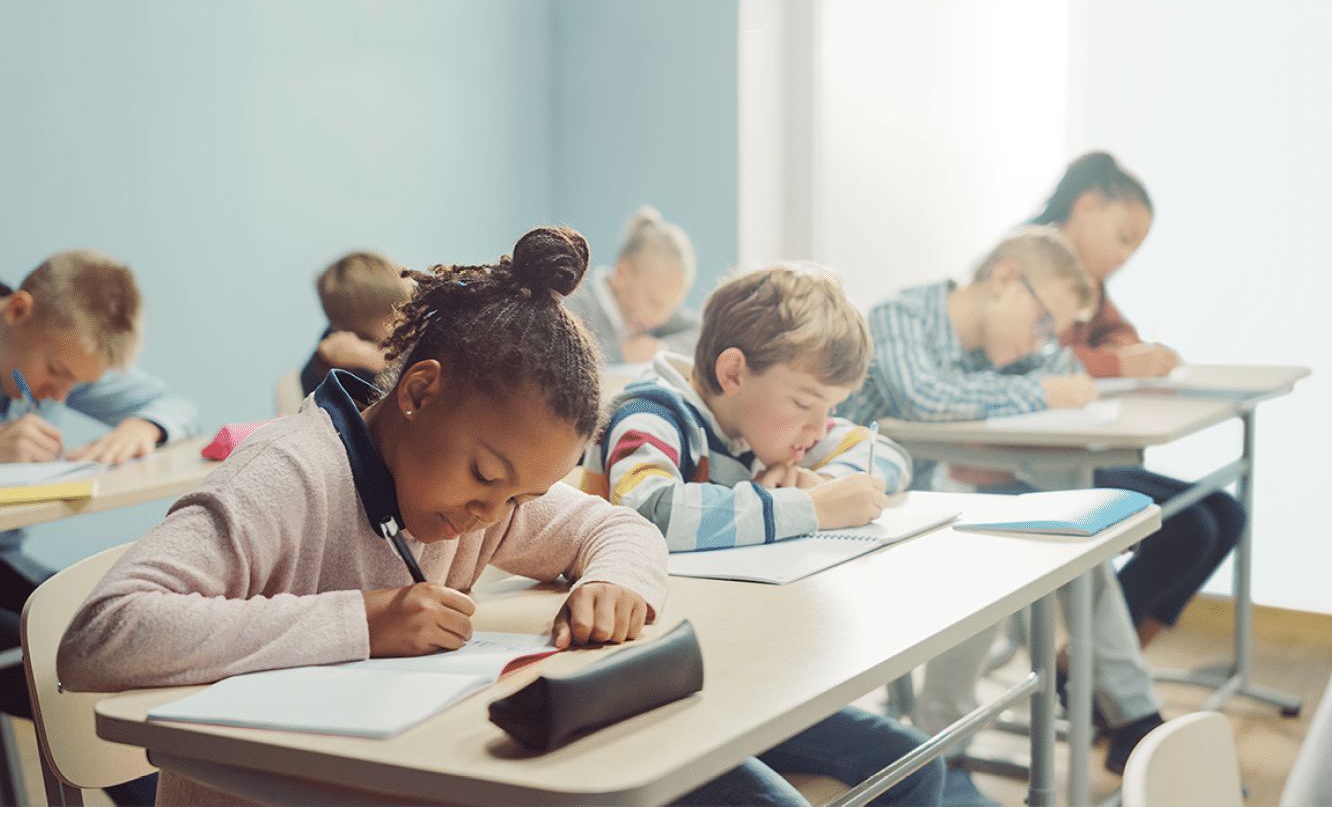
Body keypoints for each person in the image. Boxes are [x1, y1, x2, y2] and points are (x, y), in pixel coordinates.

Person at [58, 228, 668, 808]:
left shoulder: (489, 502)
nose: (490, 516)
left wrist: (614, 580)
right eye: (484, 476)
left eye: (521, 500)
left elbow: (617, 527)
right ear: (420, 395)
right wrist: (362, 623)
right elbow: (102, 633)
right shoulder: (291, 472)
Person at [582, 262, 944, 807]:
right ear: (733, 373)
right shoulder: (651, 413)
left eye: (831, 409)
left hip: (739, 674)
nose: (819, 429)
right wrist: (808, 507)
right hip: (649, 692)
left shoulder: (762, 425)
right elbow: (650, 512)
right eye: (806, 404)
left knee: (918, 765)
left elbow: (885, 456)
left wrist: (823, 482)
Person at [842, 228, 1166, 794]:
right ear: (1005, 278)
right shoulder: (902, 316)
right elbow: (928, 398)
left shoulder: (993, 347)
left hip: (925, 503)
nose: (1041, 341)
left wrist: (1051, 377)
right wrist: (1043, 394)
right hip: (858, 517)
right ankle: (942, 748)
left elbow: (1061, 370)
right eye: (1042, 323)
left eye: (1053, 332)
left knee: (1070, 526)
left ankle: (1134, 718)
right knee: (1001, 545)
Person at [0, 250, 199, 806]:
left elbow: (176, 404)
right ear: (17, 309)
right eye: (57, 375)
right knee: (72, 667)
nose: (59, 396)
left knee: (108, 636)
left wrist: (144, 425)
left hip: (5, 559)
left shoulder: (48, 349)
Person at [1033, 150, 1246, 648]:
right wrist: (1116, 363)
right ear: (1086, 206)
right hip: (1038, 465)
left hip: (1080, 451)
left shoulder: (1088, 280)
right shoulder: (1024, 265)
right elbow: (1032, 365)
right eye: (1124, 238)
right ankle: (1094, 672)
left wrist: (1128, 351)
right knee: (1190, 528)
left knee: (1225, 514)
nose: (1126, 256)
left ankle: (1107, 673)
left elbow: (1114, 331)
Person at [565, 205, 700, 364]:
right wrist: (622, 354)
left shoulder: (654, 316)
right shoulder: (573, 307)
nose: (662, 319)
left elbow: (704, 332)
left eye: (671, 308)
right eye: (654, 302)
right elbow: (559, 360)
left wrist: (662, 349)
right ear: (622, 274)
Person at [299, 250, 411, 397]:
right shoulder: (334, 353)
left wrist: (377, 359)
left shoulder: (420, 333)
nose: (408, 325)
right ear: (354, 332)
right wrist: (369, 358)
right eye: (395, 320)